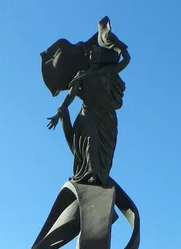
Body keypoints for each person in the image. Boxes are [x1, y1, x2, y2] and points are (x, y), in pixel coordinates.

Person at [46, 20, 131, 186]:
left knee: (104, 152)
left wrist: (117, 46)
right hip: (88, 114)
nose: (93, 54)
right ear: (88, 56)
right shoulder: (82, 75)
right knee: (90, 142)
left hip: (106, 116)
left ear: (99, 57)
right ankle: (91, 173)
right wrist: (59, 113)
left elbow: (126, 60)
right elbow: (71, 96)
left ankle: (99, 175)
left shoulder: (107, 72)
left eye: (96, 53)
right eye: (91, 53)